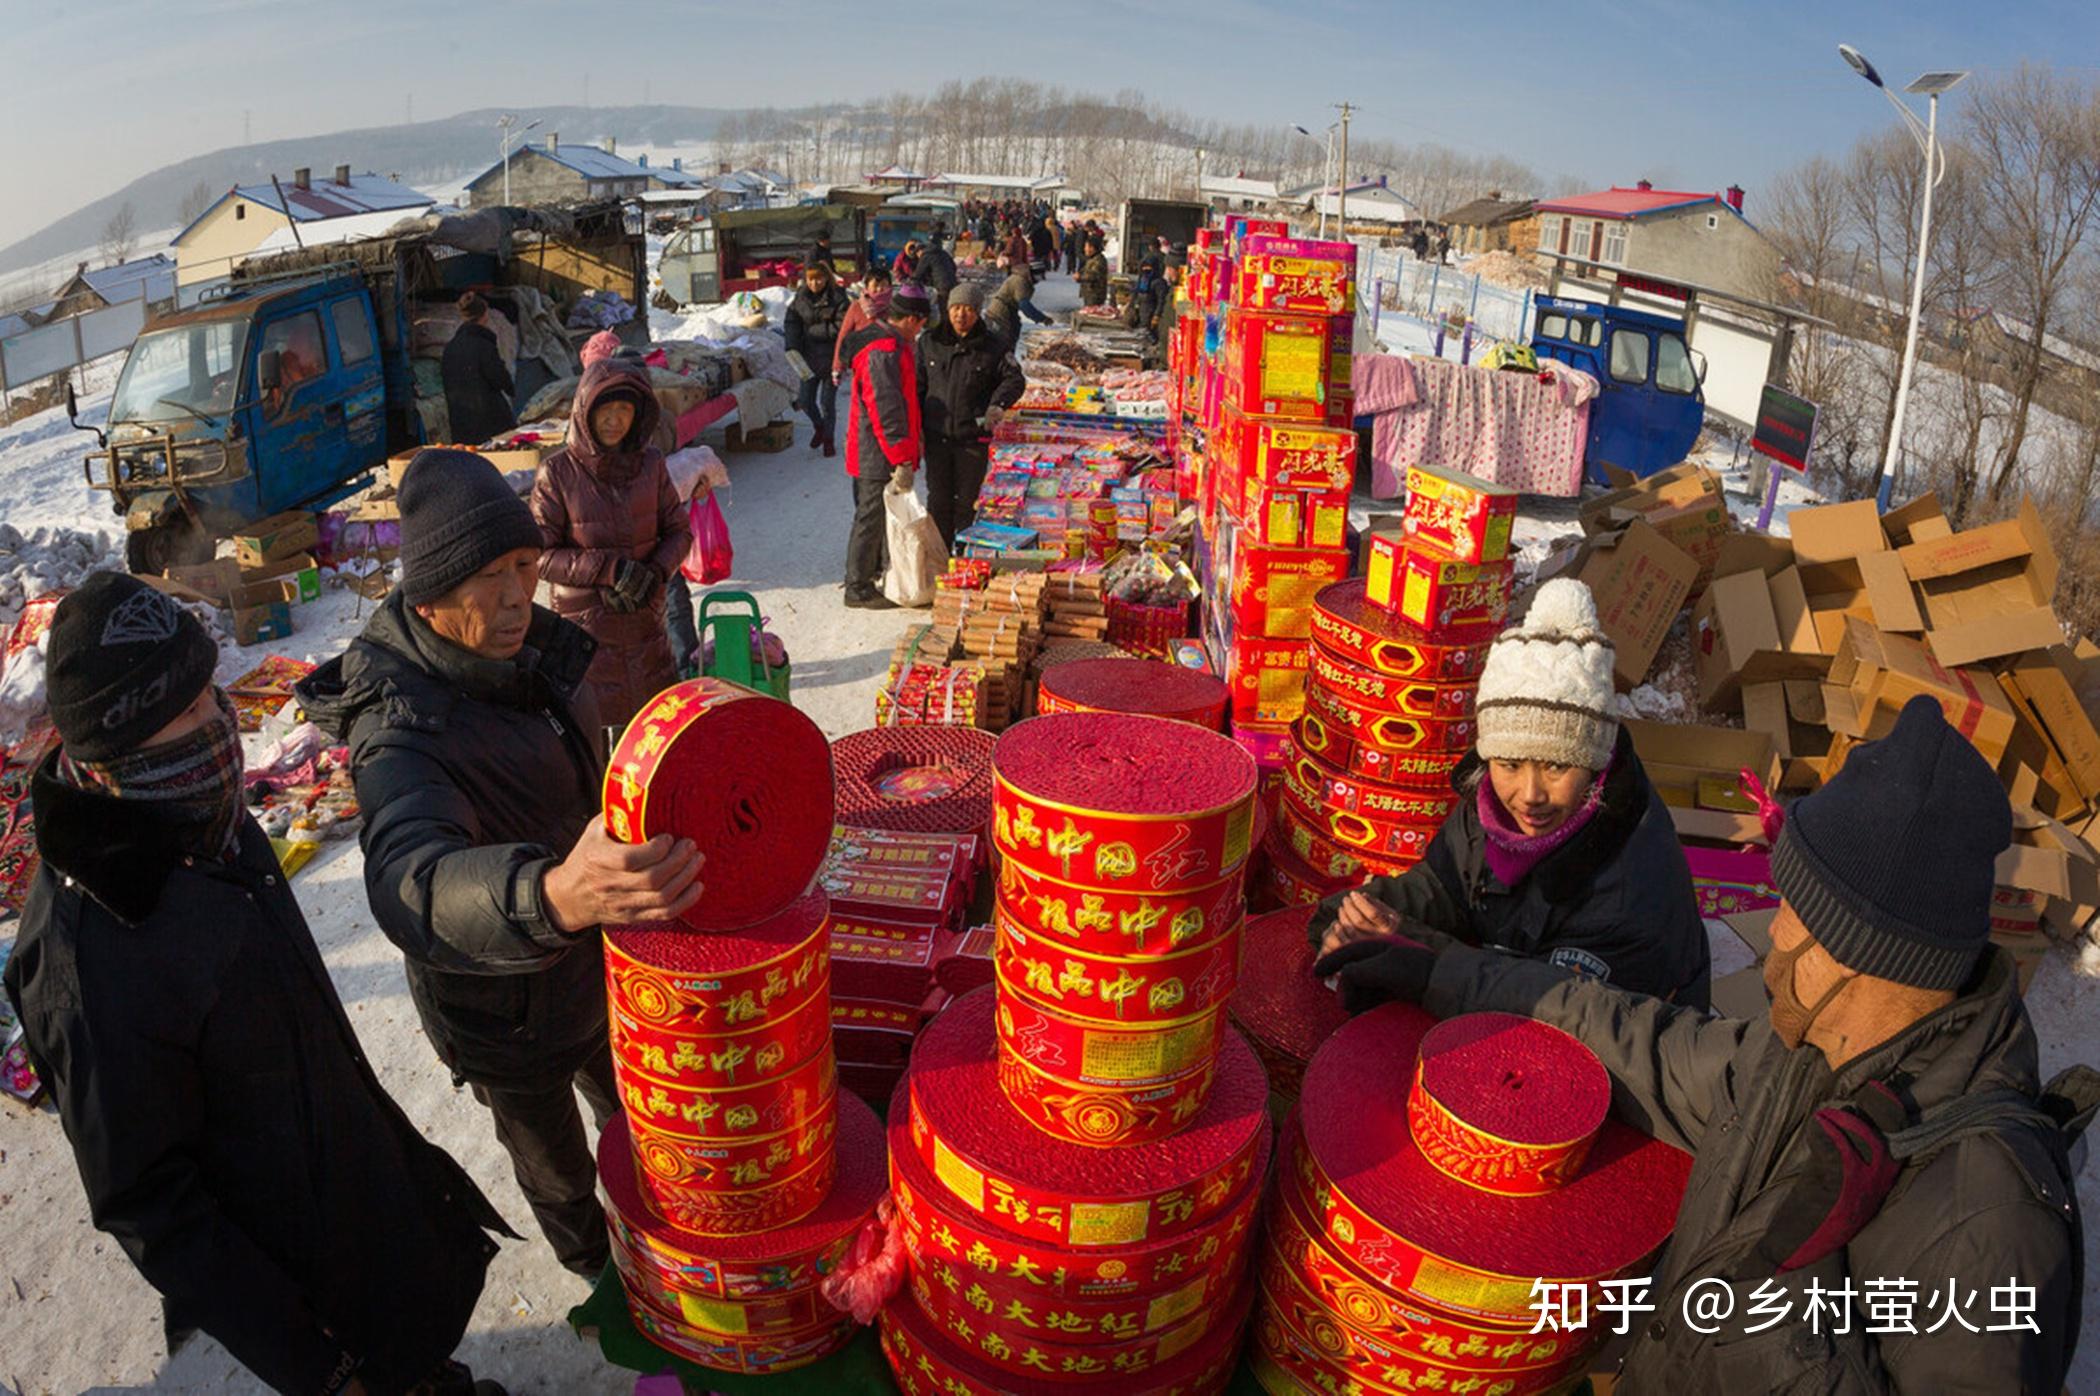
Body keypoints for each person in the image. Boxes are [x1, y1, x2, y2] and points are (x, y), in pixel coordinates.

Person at [1317, 696, 2087, 1393]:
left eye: (1799, 917)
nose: (1772, 934)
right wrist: (1437, 966)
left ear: (1867, 955)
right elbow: (1625, 1036)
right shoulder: (1801, 1059)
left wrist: (1792, 1305)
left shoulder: (1987, 1231)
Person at [11, 572, 510, 1396]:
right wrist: (316, 1367)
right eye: (187, 715)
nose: (221, 729)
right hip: (288, 1288)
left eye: (212, 695)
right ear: (111, 752)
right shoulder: (87, 958)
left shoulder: (191, 811)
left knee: (413, 1352)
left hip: (343, 1188)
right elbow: (153, 1205)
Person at [299, 450, 705, 1283]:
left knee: (638, 1117)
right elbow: (412, 881)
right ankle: (599, 1274)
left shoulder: (539, 655)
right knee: (557, 1170)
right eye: (489, 576)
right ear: (431, 596)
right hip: (504, 1014)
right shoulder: (399, 727)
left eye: (525, 565)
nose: (519, 594)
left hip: (597, 971)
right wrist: (553, 894)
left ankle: (663, 1247)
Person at [1311, 578, 1709, 1007]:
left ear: (1594, 763)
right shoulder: (1487, 805)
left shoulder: (1630, 889)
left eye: (1557, 765)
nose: (1530, 794)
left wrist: (1407, 942)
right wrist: (1357, 913)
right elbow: (1445, 886)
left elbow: (1554, 1008)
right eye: (1510, 764)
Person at [529, 360, 687, 733]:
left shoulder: (651, 465)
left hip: (645, 625)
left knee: (653, 739)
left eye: (625, 409)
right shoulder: (558, 473)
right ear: (586, 408)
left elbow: (680, 532)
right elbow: (539, 555)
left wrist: (653, 573)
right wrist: (610, 571)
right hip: (585, 637)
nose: (615, 419)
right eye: (606, 408)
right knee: (594, 743)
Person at [838, 282, 930, 610]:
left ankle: (871, 574)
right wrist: (902, 458)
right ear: (912, 320)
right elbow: (886, 407)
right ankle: (857, 586)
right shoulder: (884, 350)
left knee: (874, 513)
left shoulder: (890, 343)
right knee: (870, 515)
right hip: (875, 450)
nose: (919, 334)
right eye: (920, 326)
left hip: (877, 447)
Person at [917, 281, 1025, 548]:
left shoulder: (994, 345)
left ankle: (965, 557)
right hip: (936, 436)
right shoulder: (930, 342)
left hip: (972, 438)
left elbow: (1015, 379)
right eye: (955, 307)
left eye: (967, 308)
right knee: (939, 500)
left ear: (977, 312)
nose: (960, 314)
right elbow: (916, 386)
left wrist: (997, 404)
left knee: (967, 502)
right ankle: (941, 556)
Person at [784, 261, 849, 456]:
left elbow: (841, 327)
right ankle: (819, 427)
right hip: (808, 359)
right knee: (805, 400)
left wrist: (812, 331)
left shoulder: (838, 297)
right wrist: (792, 345)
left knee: (827, 403)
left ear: (826, 278)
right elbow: (791, 323)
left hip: (832, 359)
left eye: (819, 278)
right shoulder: (800, 299)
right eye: (810, 279)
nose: (814, 283)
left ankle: (828, 439)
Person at [441, 292, 516, 447]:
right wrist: (511, 388)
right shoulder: (484, 345)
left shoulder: (450, 348)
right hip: (490, 422)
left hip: (461, 422)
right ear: (484, 315)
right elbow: (499, 378)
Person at [913, 231, 958, 322]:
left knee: (944, 310)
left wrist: (911, 282)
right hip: (953, 283)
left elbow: (918, 274)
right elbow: (954, 266)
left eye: (917, 254)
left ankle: (946, 330)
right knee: (952, 307)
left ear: (920, 251)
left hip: (943, 286)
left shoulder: (926, 255)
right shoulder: (943, 253)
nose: (918, 257)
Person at [1078, 238, 1109, 307]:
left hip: (1095, 294)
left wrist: (1080, 277)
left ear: (1093, 248)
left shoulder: (1099, 260)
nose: (1085, 249)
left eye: (1086, 247)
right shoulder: (1092, 259)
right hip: (1089, 293)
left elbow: (1093, 275)